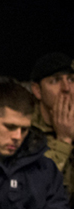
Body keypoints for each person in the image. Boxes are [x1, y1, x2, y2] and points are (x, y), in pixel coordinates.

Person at [29, 52, 74, 200]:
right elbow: (33, 190)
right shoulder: (23, 129)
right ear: (37, 90)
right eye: (55, 81)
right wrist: (64, 140)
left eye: (71, 79)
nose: (66, 88)